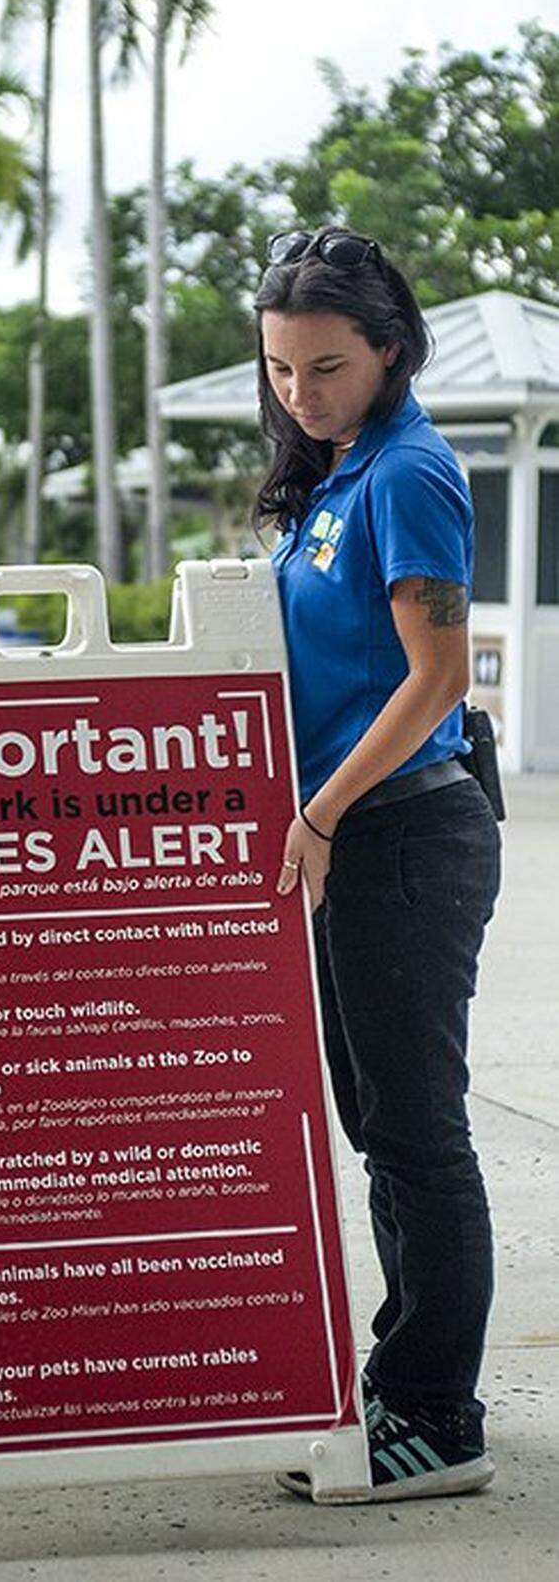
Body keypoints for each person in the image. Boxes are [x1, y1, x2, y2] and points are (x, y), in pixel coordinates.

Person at [254, 227, 502, 1504]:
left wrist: (322, 810)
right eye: (282, 368)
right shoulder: (340, 471)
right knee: (379, 1128)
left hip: (402, 833)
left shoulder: (408, 473)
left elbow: (436, 678)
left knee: (417, 1133)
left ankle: (436, 1417)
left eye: (328, 367)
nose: (302, 392)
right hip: (354, 837)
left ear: (392, 351)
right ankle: (401, 1383)